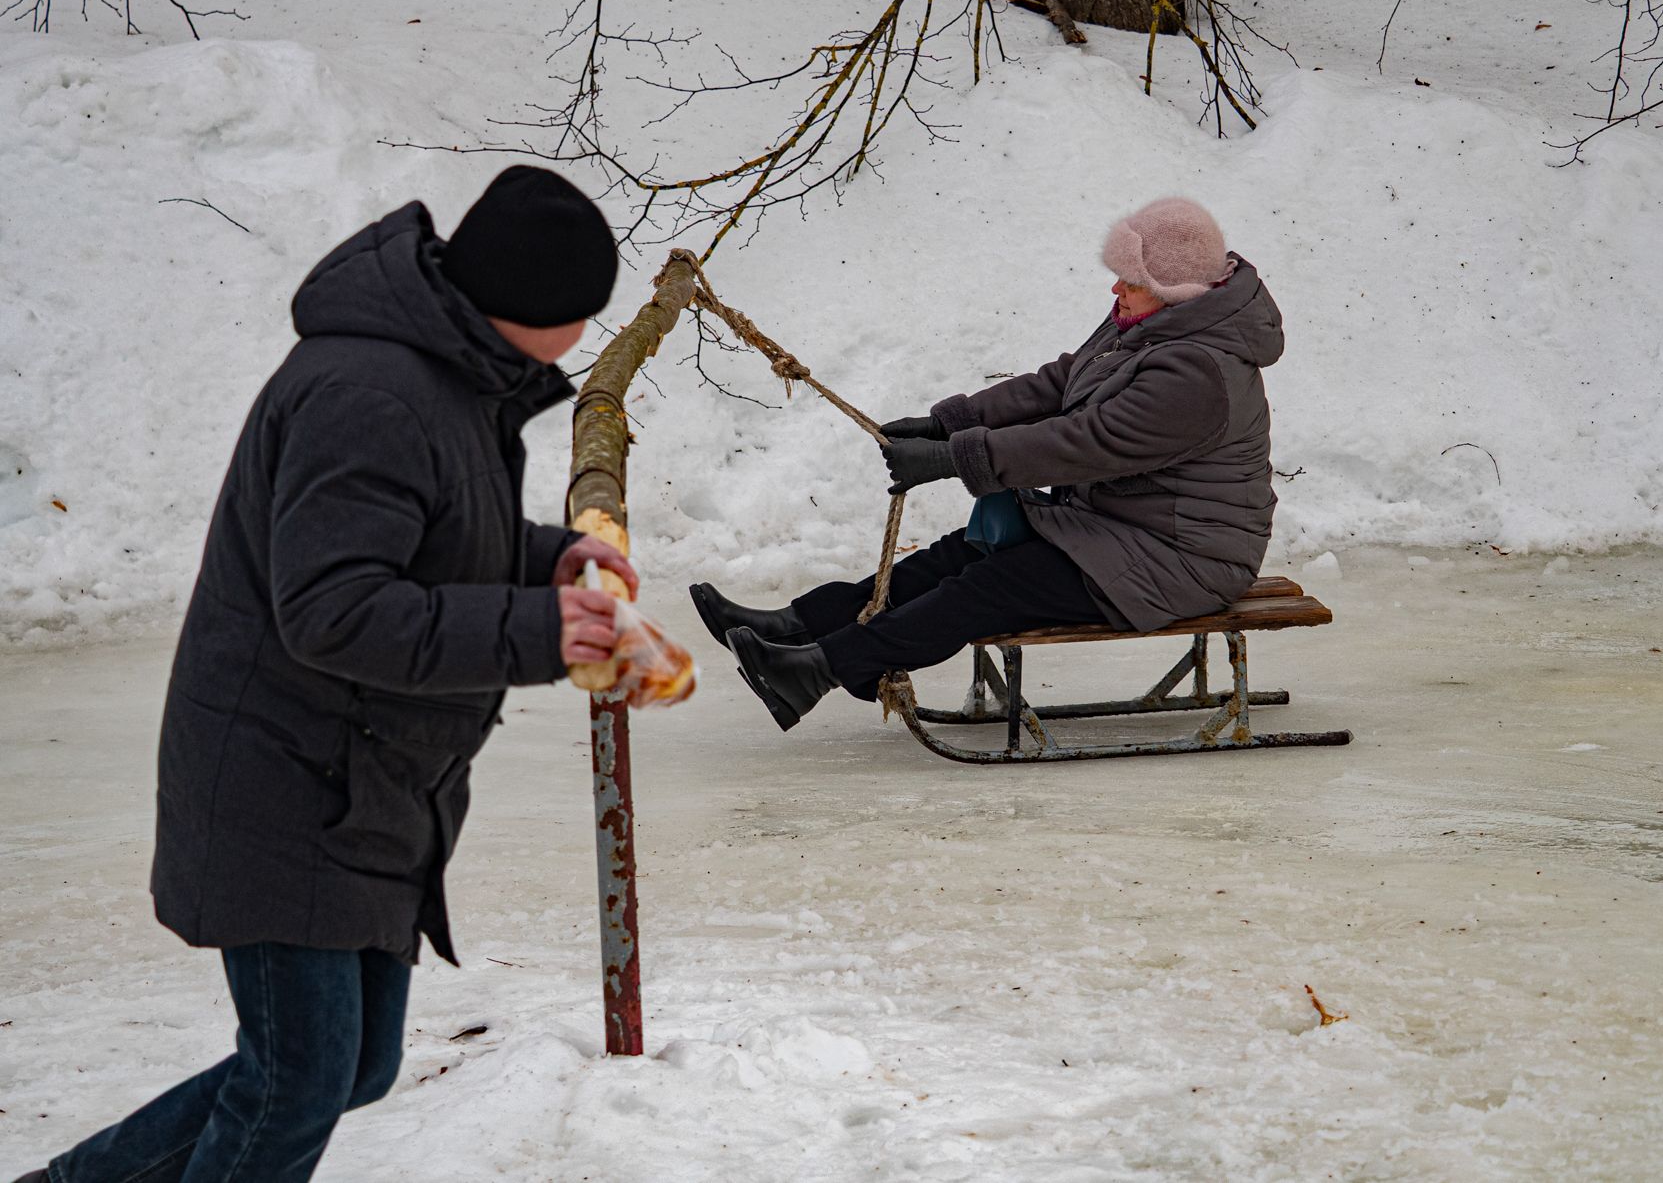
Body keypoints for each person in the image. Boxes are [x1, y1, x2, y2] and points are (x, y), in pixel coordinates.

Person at [19, 166, 630, 1183]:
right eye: (581, 313)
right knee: (298, 1077)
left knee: (349, 1066)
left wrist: (543, 560)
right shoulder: (371, 394)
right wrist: (538, 628)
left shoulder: (449, 377)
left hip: (364, 785)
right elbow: (336, 611)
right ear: (532, 307)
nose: (585, 334)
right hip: (287, 783)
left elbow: (430, 536)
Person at [692, 196, 1284, 732]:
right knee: (963, 550)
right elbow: (1062, 384)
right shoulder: (1149, 323)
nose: (1115, 291)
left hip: (1183, 557)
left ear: (1173, 289)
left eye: (1129, 280)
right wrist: (952, 422)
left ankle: (814, 672)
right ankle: (797, 627)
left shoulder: (1198, 373)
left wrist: (956, 458)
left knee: (992, 584)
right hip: (1121, 530)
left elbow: (1085, 440)